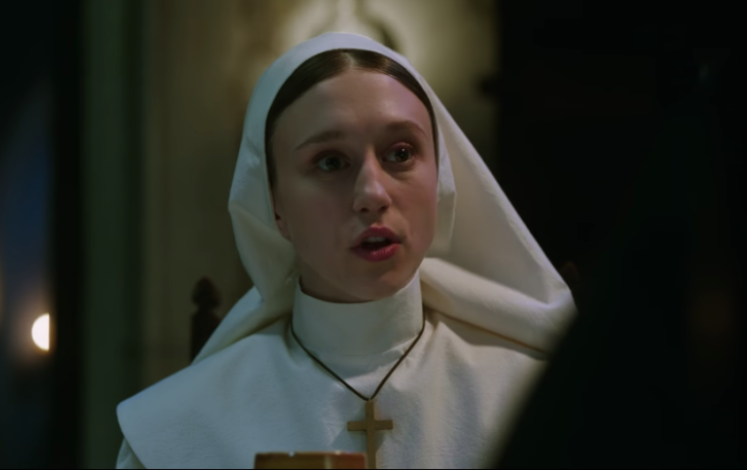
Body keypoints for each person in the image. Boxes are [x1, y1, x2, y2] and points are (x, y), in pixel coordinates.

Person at [115, 32, 576, 469]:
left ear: (441, 178)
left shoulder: (539, 399)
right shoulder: (178, 429)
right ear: (273, 204)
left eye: (400, 153)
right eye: (331, 162)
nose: (372, 193)